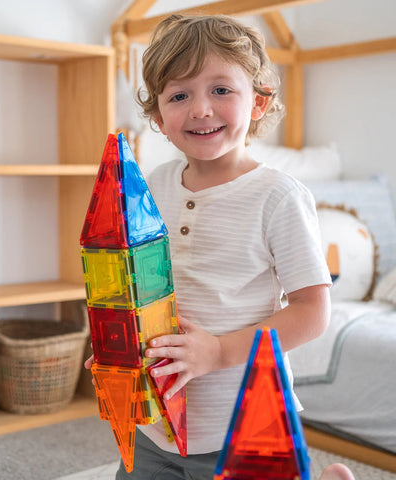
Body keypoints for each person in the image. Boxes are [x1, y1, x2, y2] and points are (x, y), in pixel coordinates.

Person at [86, 14, 352, 480]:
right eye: (179, 95)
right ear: (158, 119)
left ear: (258, 103)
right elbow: (135, 291)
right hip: (154, 426)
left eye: (221, 90)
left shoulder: (279, 196)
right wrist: (118, 351)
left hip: (243, 423)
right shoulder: (148, 189)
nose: (201, 109)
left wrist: (218, 352)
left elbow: (313, 312)